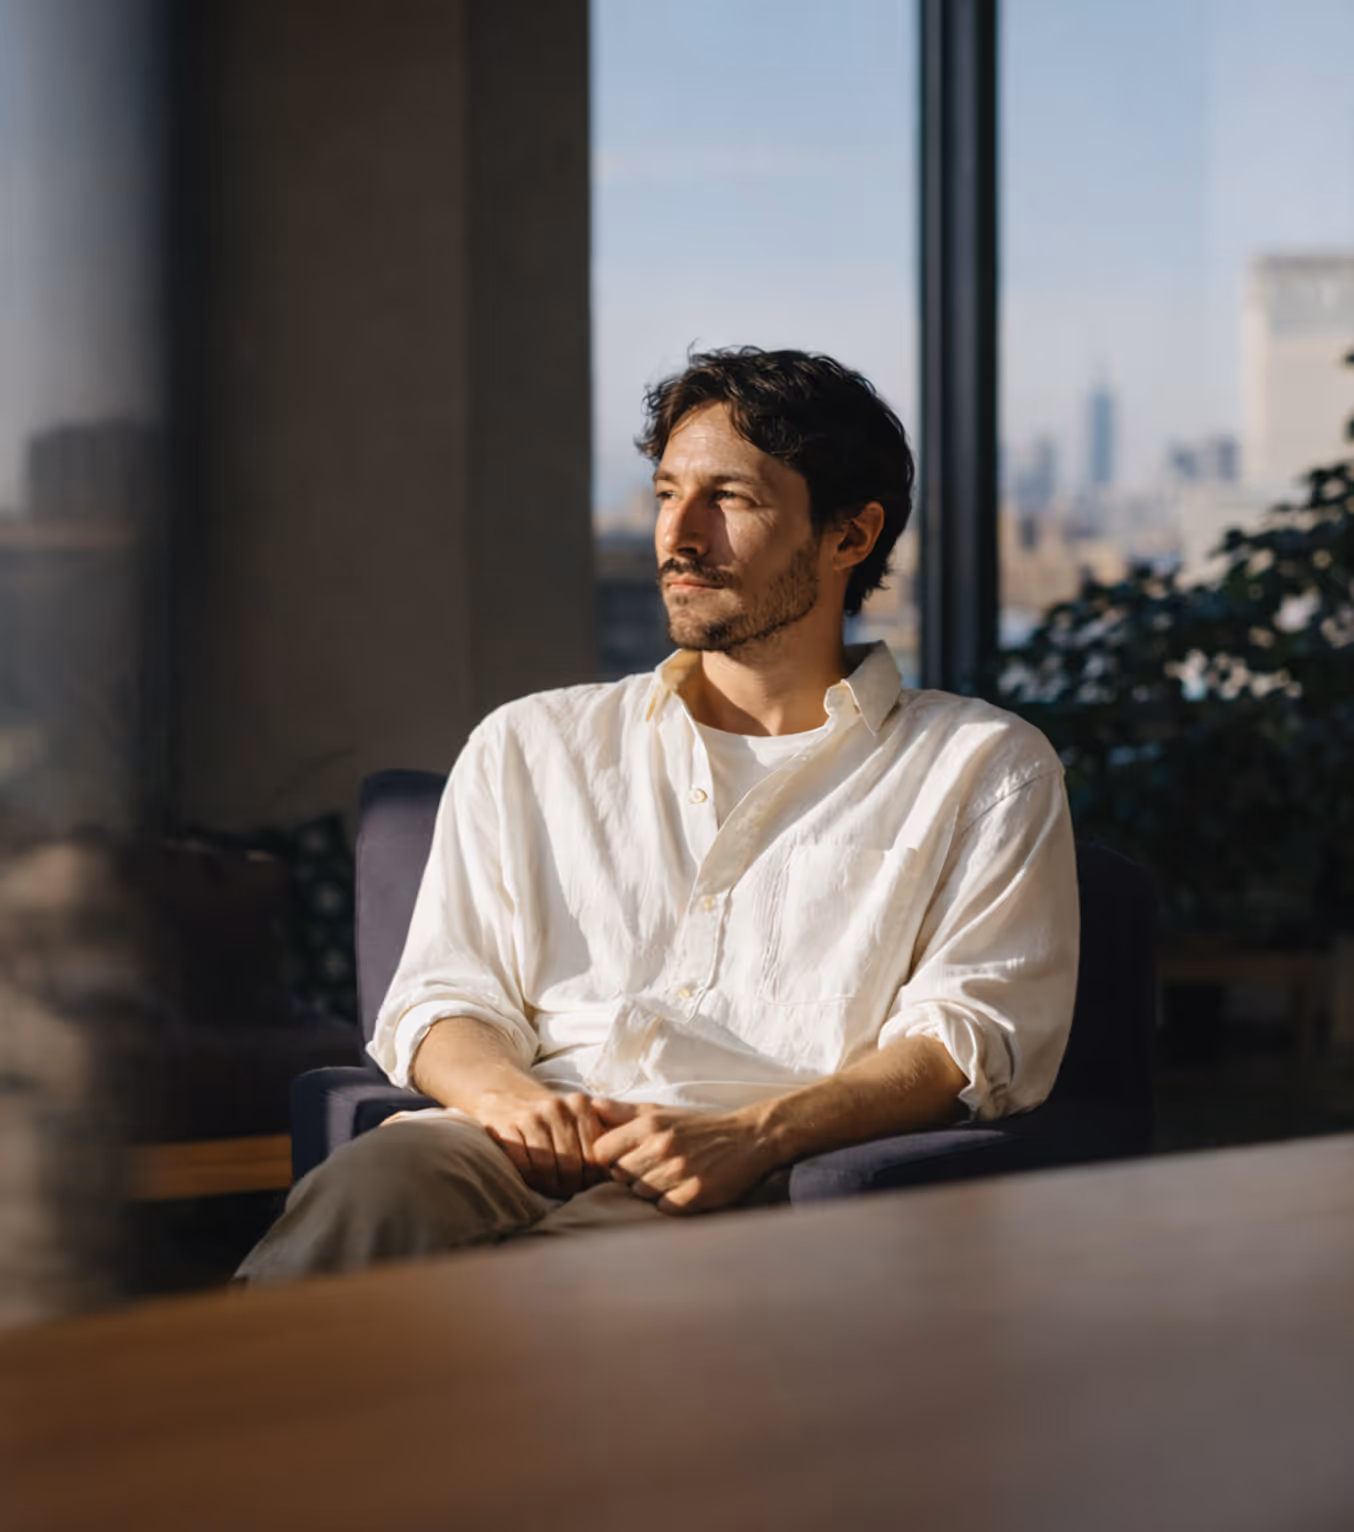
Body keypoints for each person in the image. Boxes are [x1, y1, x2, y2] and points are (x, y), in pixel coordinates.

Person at [238, 347, 1078, 1283]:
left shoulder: (980, 767)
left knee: (568, 1300)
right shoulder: (532, 743)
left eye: (731, 499)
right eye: (666, 493)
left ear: (849, 536)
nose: (679, 535)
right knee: (371, 1189)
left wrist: (751, 1137)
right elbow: (441, 999)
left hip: (752, 1163)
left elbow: (971, 1037)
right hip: (513, 1135)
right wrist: (510, 1099)